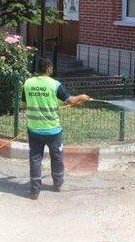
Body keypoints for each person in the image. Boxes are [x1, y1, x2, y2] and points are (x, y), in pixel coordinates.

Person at [22, 58, 90, 200]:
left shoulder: (27, 83)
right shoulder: (55, 85)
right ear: (48, 69)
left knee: (35, 159)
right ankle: (58, 184)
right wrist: (82, 97)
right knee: (57, 157)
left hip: (34, 129)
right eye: (51, 68)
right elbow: (70, 100)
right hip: (53, 130)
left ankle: (35, 191)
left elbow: (24, 103)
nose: (52, 70)